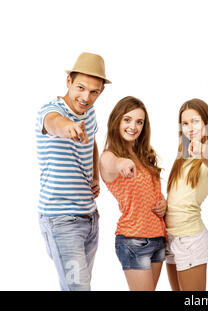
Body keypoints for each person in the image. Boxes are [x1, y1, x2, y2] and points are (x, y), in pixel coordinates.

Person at [36, 52, 110, 290]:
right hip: (61, 219)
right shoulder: (50, 110)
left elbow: (93, 141)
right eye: (80, 87)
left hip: (90, 217)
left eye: (94, 91)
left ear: (101, 91)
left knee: (77, 286)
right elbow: (54, 123)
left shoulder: (89, 113)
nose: (86, 97)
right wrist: (68, 127)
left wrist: (95, 176)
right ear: (68, 81)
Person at [100, 96, 167, 291]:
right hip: (134, 240)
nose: (133, 126)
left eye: (139, 122)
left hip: (157, 238)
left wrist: (163, 203)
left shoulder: (144, 156)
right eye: (127, 120)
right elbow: (111, 164)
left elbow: (150, 193)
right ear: (117, 121)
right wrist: (122, 163)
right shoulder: (110, 156)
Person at [165, 98, 208, 291]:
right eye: (185, 123)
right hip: (170, 236)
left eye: (195, 121)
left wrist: (204, 152)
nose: (189, 128)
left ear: (207, 124)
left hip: (190, 239)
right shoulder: (182, 157)